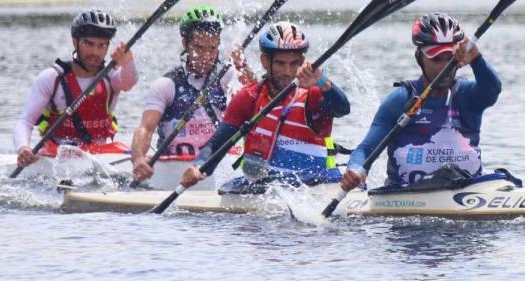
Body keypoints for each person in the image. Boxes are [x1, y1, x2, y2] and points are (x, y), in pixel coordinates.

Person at [340, 12, 502, 192]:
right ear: (419, 58)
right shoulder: (401, 99)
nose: (444, 66)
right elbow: (365, 149)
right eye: (436, 59)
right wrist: (355, 170)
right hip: (406, 197)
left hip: (469, 192)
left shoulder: (467, 96)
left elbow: (492, 89)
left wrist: (477, 60)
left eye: (449, 58)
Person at [180, 21, 350, 190]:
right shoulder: (248, 98)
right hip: (265, 190)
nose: (287, 72)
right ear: (264, 61)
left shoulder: (313, 94)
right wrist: (198, 167)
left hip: (316, 187)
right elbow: (216, 145)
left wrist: (324, 83)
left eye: (294, 64)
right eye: (280, 63)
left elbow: (342, 108)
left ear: (302, 61)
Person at [130, 6, 256, 183]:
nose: (206, 56)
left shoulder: (227, 78)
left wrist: (243, 66)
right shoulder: (166, 85)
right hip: (174, 171)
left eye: (212, 48)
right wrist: (138, 159)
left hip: (214, 165)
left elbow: (259, 100)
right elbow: (145, 128)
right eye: (198, 48)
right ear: (185, 44)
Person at [14, 9, 138, 167]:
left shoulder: (111, 76)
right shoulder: (52, 78)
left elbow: (130, 82)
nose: (95, 52)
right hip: (57, 154)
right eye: (89, 44)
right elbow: (25, 121)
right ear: (75, 42)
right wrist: (23, 148)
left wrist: (129, 61)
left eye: (102, 45)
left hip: (100, 154)